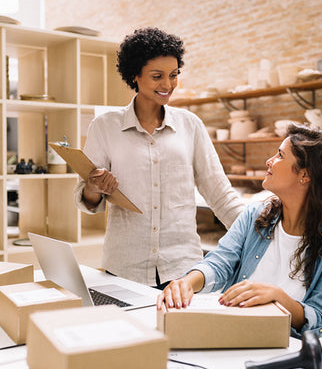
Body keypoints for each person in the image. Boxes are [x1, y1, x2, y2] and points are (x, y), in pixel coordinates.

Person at [74, 27, 244, 287]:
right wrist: (94, 187)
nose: (168, 85)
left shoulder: (191, 125)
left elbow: (218, 191)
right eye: (157, 76)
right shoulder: (104, 126)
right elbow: (86, 199)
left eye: (173, 75)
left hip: (183, 270)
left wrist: (259, 230)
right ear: (135, 75)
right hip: (124, 267)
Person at [156, 124, 322, 338]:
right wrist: (187, 282)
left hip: (283, 342)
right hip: (230, 328)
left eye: (280, 155)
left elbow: (321, 318)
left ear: (305, 174)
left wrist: (278, 298)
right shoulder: (255, 215)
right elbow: (221, 262)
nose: (269, 161)